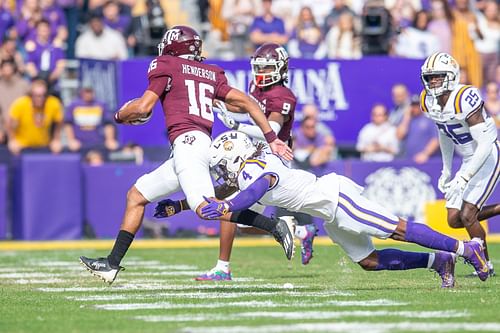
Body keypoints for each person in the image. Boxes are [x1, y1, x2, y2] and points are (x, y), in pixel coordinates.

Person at [79, 26, 295, 284]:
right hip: (195, 146)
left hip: (188, 145)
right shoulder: (211, 72)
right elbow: (248, 102)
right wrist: (271, 138)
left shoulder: (166, 64)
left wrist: (119, 115)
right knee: (136, 196)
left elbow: (143, 107)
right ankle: (111, 264)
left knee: (206, 209)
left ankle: (275, 226)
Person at [200, 130, 491, 288]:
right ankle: (439, 262)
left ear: (234, 156)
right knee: (369, 261)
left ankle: (465, 249)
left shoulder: (256, 169)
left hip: (337, 199)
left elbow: (255, 190)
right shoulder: (254, 163)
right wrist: (180, 205)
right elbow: (237, 200)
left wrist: (226, 204)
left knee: (398, 230)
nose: (222, 173)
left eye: (222, 166)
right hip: (329, 211)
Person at [155, 43, 319, 281]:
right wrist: (221, 103)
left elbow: (271, 129)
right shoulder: (257, 87)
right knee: (241, 223)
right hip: (257, 153)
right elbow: (248, 110)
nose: (261, 73)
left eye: (267, 68)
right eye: (259, 67)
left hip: (273, 158)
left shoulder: (283, 96)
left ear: (280, 69)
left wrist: (236, 125)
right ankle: (298, 230)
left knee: (227, 204)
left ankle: (223, 267)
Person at [420, 52, 500, 277]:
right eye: (430, 77)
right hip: (467, 158)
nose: (434, 81)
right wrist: (447, 170)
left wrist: (464, 177)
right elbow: (444, 132)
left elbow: (485, 143)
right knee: (454, 220)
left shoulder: (465, 96)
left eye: (438, 76)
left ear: (452, 75)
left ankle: (485, 264)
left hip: (489, 155)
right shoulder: (427, 100)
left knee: (468, 215)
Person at [6, 79, 63, 155]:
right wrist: (12, 140)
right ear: (31, 95)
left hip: (44, 146)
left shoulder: (53, 103)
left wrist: (56, 139)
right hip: (23, 146)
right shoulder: (21, 103)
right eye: (36, 96)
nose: (40, 99)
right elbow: (9, 122)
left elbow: (59, 122)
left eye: (43, 96)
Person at [396, 95, 439, 164]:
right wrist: (406, 117)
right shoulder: (406, 120)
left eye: (417, 105)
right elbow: (399, 136)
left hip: (427, 160)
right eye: (413, 105)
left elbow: (436, 139)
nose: (415, 108)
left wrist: (425, 154)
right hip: (408, 160)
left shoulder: (429, 119)